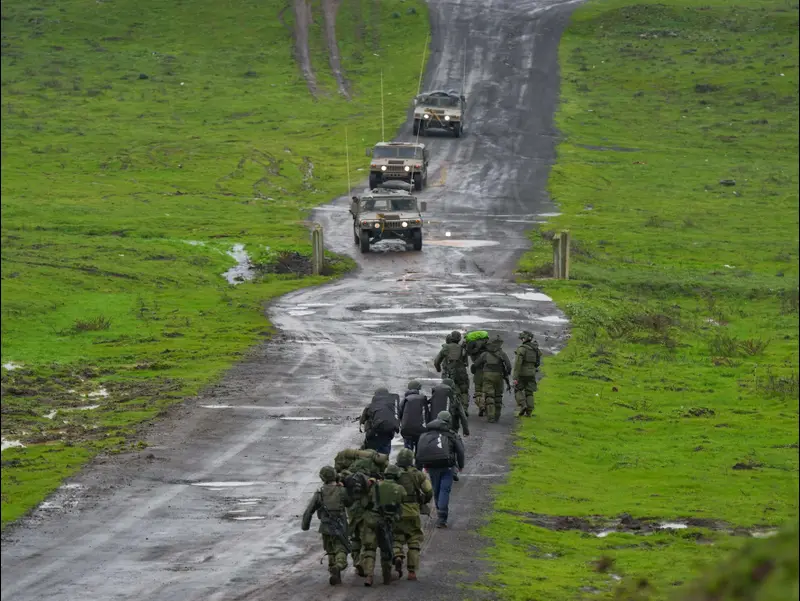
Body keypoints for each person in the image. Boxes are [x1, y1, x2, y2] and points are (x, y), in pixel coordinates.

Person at [344, 472, 406, 586]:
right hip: (384, 523)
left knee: (369, 549)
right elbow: (398, 508)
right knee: (386, 550)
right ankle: (387, 577)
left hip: (369, 521)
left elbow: (361, 502)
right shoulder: (390, 488)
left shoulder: (368, 490)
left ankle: (369, 576)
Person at [333, 448, 389, 567]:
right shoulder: (374, 473)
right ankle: (364, 562)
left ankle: (356, 560)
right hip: (367, 508)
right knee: (367, 537)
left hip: (352, 508)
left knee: (354, 535)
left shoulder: (348, 472)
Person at [301, 466, 354, 586]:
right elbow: (350, 502)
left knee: (330, 550)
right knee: (341, 549)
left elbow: (309, 510)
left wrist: (305, 526)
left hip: (325, 527)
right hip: (340, 525)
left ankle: (333, 572)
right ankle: (339, 565)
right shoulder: (341, 490)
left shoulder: (319, 493)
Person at [386, 452, 433, 581]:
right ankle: (412, 572)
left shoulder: (392, 473)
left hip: (396, 511)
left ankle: (397, 555)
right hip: (412, 512)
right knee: (414, 540)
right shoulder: (418, 474)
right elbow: (429, 491)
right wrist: (423, 501)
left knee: (396, 537)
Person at [415, 411, 465, 528]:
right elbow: (460, 451)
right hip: (447, 467)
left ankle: (439, 511)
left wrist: (418, 467)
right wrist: (461, 465)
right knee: (444, 490)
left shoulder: (426, 434)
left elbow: (419, 451)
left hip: (431, 467)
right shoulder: (451, 434)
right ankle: (442, 518)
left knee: (436, 490)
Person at [472, 335, 512, 423]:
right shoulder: (502, 353)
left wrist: (474, 371)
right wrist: (507, 373)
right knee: (498, 396)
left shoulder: (485, 354)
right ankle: (497, 415)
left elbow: (476, 364)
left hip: (487, 376)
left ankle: (490, 417)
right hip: (499, 376)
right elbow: (508, 366)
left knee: (489, 396)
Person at [433, 331, 470, 416]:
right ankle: (464, 409)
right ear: (459, 339)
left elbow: (436, 361)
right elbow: (466, 363)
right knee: (464, 390)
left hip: (449, 373)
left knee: (451, 391)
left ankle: (452, 409)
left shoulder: (446, 348)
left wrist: (438, 369)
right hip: (461, 372)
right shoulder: (462, 348)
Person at [359, 387, 401, 456]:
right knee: (384, 456)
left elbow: (362, 421)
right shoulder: (392, 407)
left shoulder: (371, 406)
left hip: (373, 435)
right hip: (388, 434)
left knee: (370, 455)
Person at [513, 330, 542, 417]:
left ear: (523, 339)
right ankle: (529, 411)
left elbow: (518, 364)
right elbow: (537, 363)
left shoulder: (521, 349)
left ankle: (523, 404)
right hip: (531, 373)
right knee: (529, 392)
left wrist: (515, 377)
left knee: (517, 389)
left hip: (522, 373)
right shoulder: (536, 349)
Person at [465, 331, 490, 417]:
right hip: (488, 371)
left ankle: (481, 406)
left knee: (478, 391)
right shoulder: (487, 346)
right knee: (487, 390)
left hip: (478, 371)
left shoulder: (472, 347)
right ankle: (487, 407)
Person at [399, 381, 428, 452]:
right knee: (419, 451)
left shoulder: (405, 400)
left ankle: (407, 460)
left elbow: (399, 413)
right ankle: (418, 461)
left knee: (407, 451)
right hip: (420, 430)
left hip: (407, 430)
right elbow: (427, 414)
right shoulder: (423, 399)